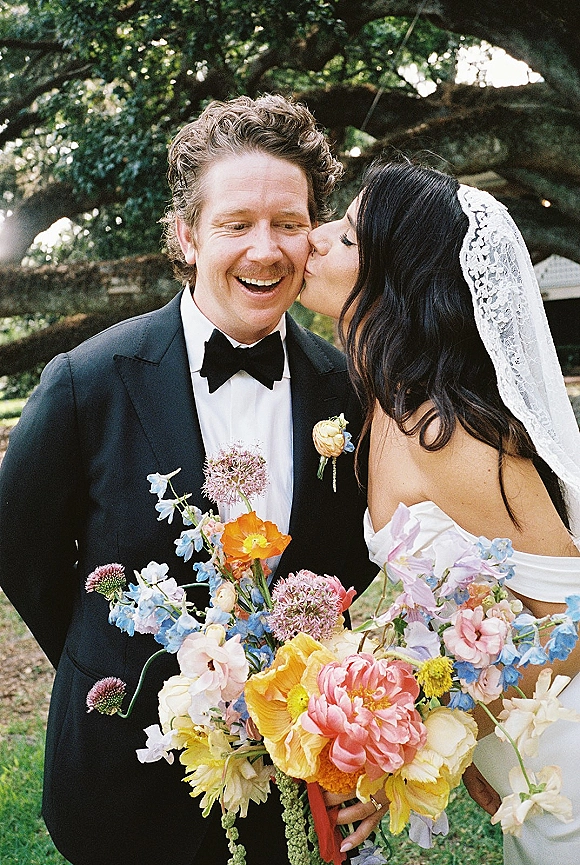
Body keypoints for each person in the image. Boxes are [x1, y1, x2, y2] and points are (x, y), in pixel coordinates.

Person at [0, 94, 378, 865]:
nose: (266, 250)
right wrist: (112, 655)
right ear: (187, 234)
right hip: (124, 781)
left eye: (289, 223)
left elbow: (358, 564)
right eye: (237, 224)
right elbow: (18, 547)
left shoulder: (353, 391)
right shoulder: (87, 381)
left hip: (293, 787)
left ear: (314, 233)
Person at [300, 157, 580, 864]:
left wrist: (433, 740)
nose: (315, 236)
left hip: (565, 760)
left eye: (349, 238)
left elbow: (574, 621)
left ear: (400, 279)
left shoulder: (448, 432)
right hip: (516, 755)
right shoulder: (387, 406)